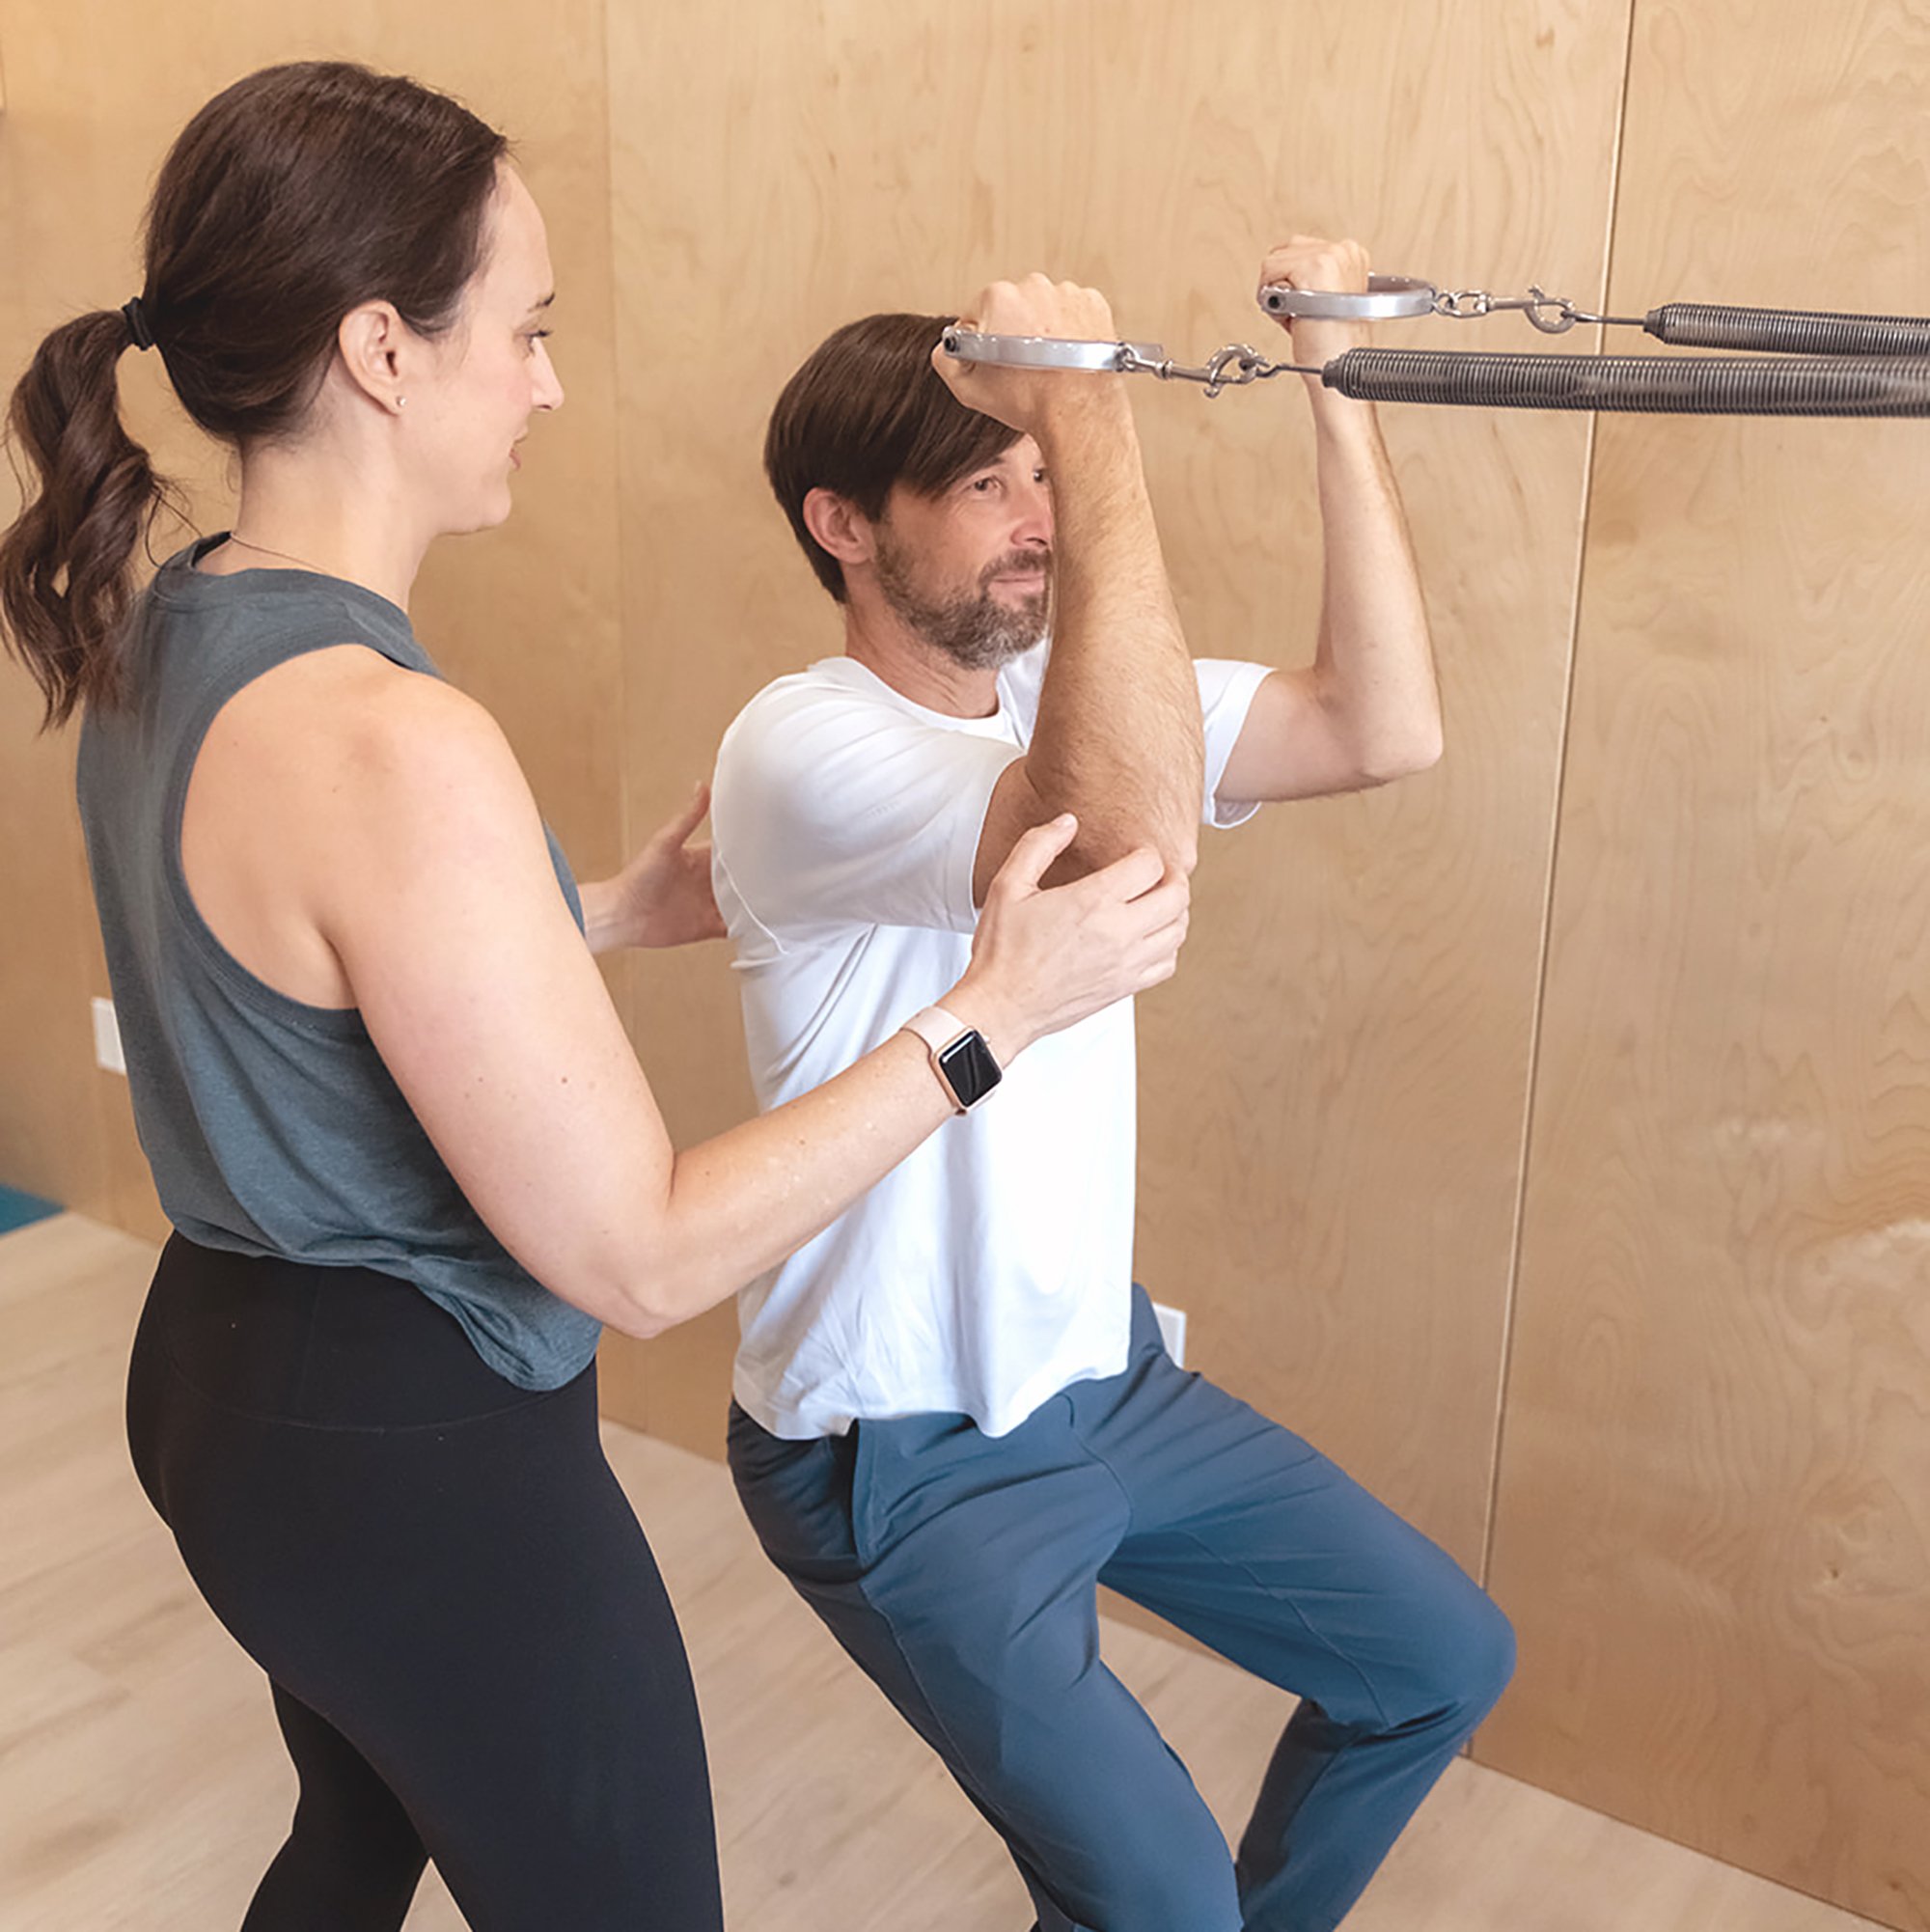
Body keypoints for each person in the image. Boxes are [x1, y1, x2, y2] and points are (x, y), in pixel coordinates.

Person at [0, 61, 1188, 1931]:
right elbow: (637, 1257)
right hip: (411, 1451)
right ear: (384, 347)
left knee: (354, 1833)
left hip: (225, 1379)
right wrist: (996, 1008)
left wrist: (611, 904)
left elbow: (287, 956)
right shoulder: (397, 733)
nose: (547, 383)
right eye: (527, 330)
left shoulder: (171, 620)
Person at [711, 248, 1516, 1932]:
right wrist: (1089, 413)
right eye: (984, 477)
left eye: (1037, 470)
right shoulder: (801, 745)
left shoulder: (1064, 702)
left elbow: (1384, 725)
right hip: (901, 1449)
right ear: (841, 523)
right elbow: (1120, 839)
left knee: (1437, 1661)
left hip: (1101, 1381)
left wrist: (1335, 378)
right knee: (1159, 1905)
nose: (1039, 513)